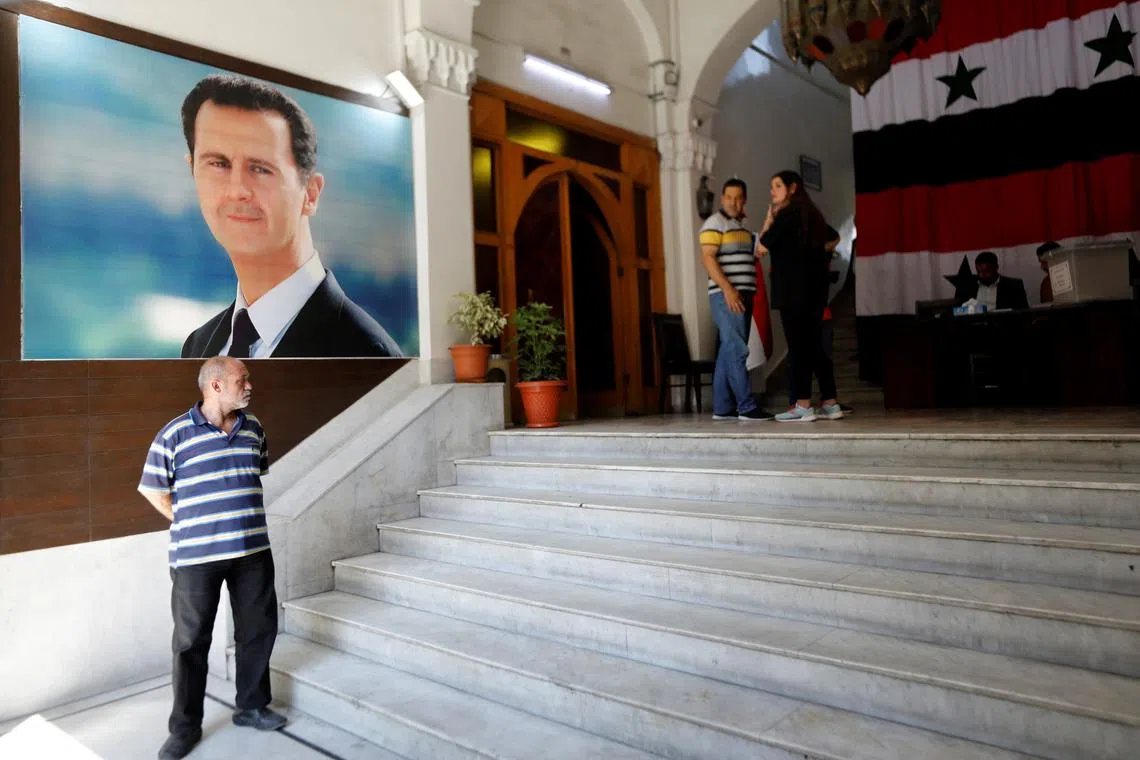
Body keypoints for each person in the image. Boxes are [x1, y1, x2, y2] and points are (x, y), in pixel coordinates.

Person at [178, 74, 402, 358]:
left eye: (260, 168)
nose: (237, 190)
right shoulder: (198, 346)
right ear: (193, 170)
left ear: (310, 193)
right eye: (219, 164)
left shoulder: (367, 355)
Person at [138, 357, 286, 760]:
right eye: (243, 379)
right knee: (190, 643)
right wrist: (188, 521)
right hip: (195, 557)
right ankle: (184, 729)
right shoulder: (174, 434)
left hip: (253, 552)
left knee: (257, 631)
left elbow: (255, 472)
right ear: (216, 386)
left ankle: (252, 706)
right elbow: (152, 489)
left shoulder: (253, 427)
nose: (250, 385)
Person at [756, 170, 842, 422]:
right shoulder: (811, 214)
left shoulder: (786, 215)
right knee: (815, 346)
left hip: (792, 293)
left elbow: (761, 248)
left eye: (777, 186)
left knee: (799, 348)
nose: (772, 191)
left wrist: (768, 222)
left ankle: (803, 404)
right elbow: (834, 238)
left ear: (792, 188)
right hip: (816, 291)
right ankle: (830, 402)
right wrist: (814, 255)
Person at [700, 178, 774, 421]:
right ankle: (746, 406)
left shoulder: (741, 228)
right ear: (722, 198)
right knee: (737, 350)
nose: (733, 201)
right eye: (729, 197)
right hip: (727, 296)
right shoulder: (715, 223)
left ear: (744, 200)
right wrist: (729, 290)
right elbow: (708, 258)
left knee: (727, 350)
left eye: (738, 197)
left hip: (743, 294)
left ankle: (722, 408)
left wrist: (769, 222)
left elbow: (760, 249)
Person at [954, 251, 1030, 310]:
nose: (981, 275)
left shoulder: (1013, 286)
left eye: (986, 271)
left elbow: (1023, 312)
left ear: (996, 267)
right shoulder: (966, 287)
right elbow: (957, 312)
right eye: (978, 271)